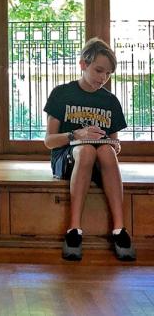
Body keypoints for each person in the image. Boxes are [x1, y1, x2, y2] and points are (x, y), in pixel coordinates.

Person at [44, 37, 136, 261]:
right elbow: (49, 141)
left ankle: (119, 230)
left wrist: (112, 144)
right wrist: (77, 135)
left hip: (100, 163)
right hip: (67, 159)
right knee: (85, 150)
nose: (103, 78)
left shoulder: (110, 101)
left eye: (108, 74)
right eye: (98, 70)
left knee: (104, 151)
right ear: (83, 65)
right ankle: (74, 229)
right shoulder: (62, 93)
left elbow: (116, 145)